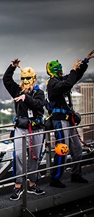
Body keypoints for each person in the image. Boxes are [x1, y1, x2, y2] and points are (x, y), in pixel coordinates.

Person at [46, 50, 94, 188]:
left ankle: (75, 174)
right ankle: (55, 179)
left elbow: (75, 77)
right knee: (62, 148)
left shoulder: (61, 80)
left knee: (77, 148)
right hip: (59, 120)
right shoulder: (52, 84)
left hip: (68, 119)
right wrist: (73, 70)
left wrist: (85, 61)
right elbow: (68, 84)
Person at [3, 59, 46, 200]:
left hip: (36, 129)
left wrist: (25, 98)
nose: (26, 81)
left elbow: (38, 105)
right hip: (21, 128)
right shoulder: (17, 90)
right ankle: (18, 185)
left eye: (28, 78)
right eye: (24, 79)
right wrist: (12, 67)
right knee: (18, 156)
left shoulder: (39, 93)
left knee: (35, 157)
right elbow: (6, 80)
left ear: (34, 79)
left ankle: (32, 184)